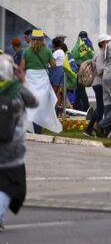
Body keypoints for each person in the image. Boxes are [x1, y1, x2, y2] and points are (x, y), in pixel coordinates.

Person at [0, 54, 39, 232]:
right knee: (12, 185)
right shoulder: (16, 88)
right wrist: (23, 81)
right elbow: (34, 101)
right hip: (12, 149)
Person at [19, 31, 61, 134]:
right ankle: (37, 130)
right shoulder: (47, 50)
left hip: (29, 79)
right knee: (41, 105)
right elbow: (54, 65)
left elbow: (21, 68)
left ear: (32, 38)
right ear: (42, 39)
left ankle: (29, 129)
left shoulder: (27, 51)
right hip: (42, 79)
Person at [83, 34, 111, 137]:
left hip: (99, 83)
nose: (110, 43)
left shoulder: (102, 53)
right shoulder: (100, 54)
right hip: (99, 83)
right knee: (101, 108)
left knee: (100, 107)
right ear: (103, 43)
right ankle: (99, 130)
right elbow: (99, 70)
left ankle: (89, 130)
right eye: (108, 41)